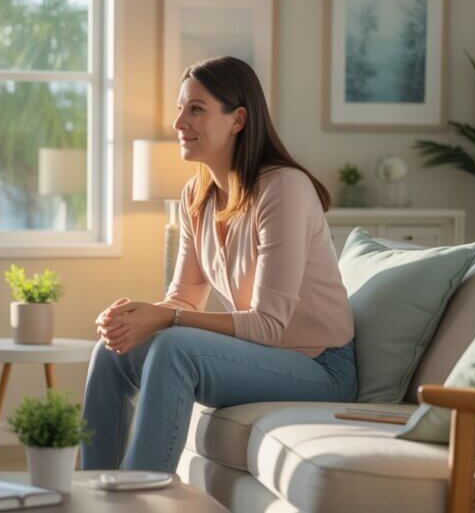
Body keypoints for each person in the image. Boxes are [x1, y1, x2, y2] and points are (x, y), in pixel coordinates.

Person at [81, 56, 356, 472]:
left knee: (175, 350)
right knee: (113, 349)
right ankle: (94, 494)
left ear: (237, 120)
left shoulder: (282, 188)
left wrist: (164, 319)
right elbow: (184, 300)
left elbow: (267, 325)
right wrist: (138, 317)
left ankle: (136, 501)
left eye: (196, 109)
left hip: (320, 367)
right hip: (262, 355)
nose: (179, 123)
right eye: (180, 108)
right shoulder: (196, 195)